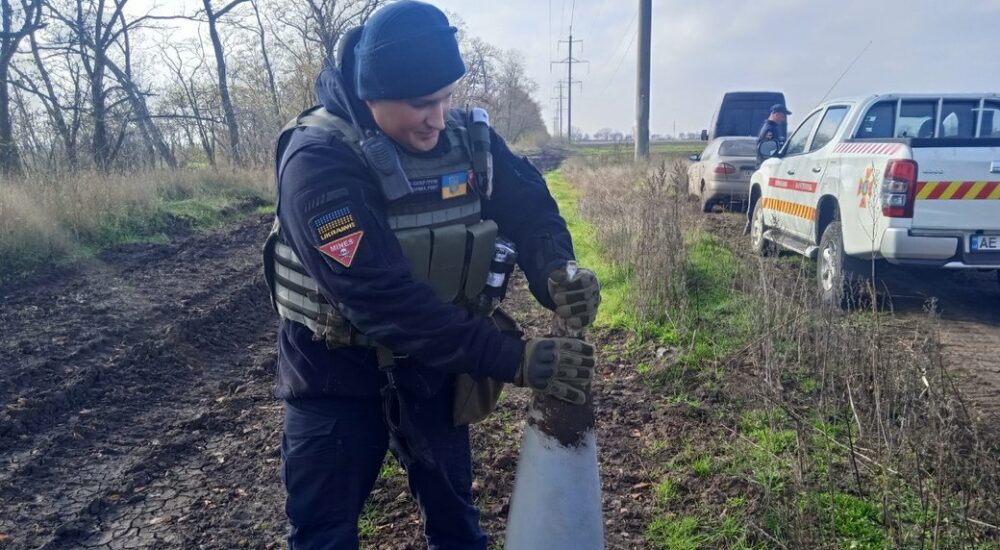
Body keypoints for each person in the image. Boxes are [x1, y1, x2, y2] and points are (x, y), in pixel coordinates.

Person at [261, 2, 601, 548]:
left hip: (432, 374)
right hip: (333, 377)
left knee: (457, 523)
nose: (439, 118)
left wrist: (556, 270)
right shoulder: (317, 161)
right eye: (421, 104)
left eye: (447, 98)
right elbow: (377, 296)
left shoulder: (470, 140)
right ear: (373, 93)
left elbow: (531, 208)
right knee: (324, 534)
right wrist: (511, 358)